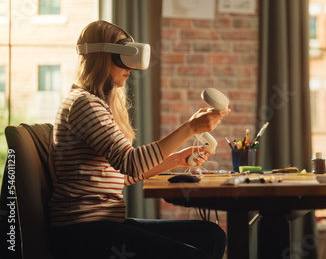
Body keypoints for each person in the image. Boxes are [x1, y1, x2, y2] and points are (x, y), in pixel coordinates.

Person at [49, 20, 230, 259]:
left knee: (212, 235)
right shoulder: (84, 104)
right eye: (123, 57)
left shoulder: (94, 103)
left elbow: (121, 175)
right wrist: (190, 128)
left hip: (102, 224)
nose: (130, 68)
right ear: (103, 56)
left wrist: (176, 159)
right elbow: (130, 162)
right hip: (82, 230)